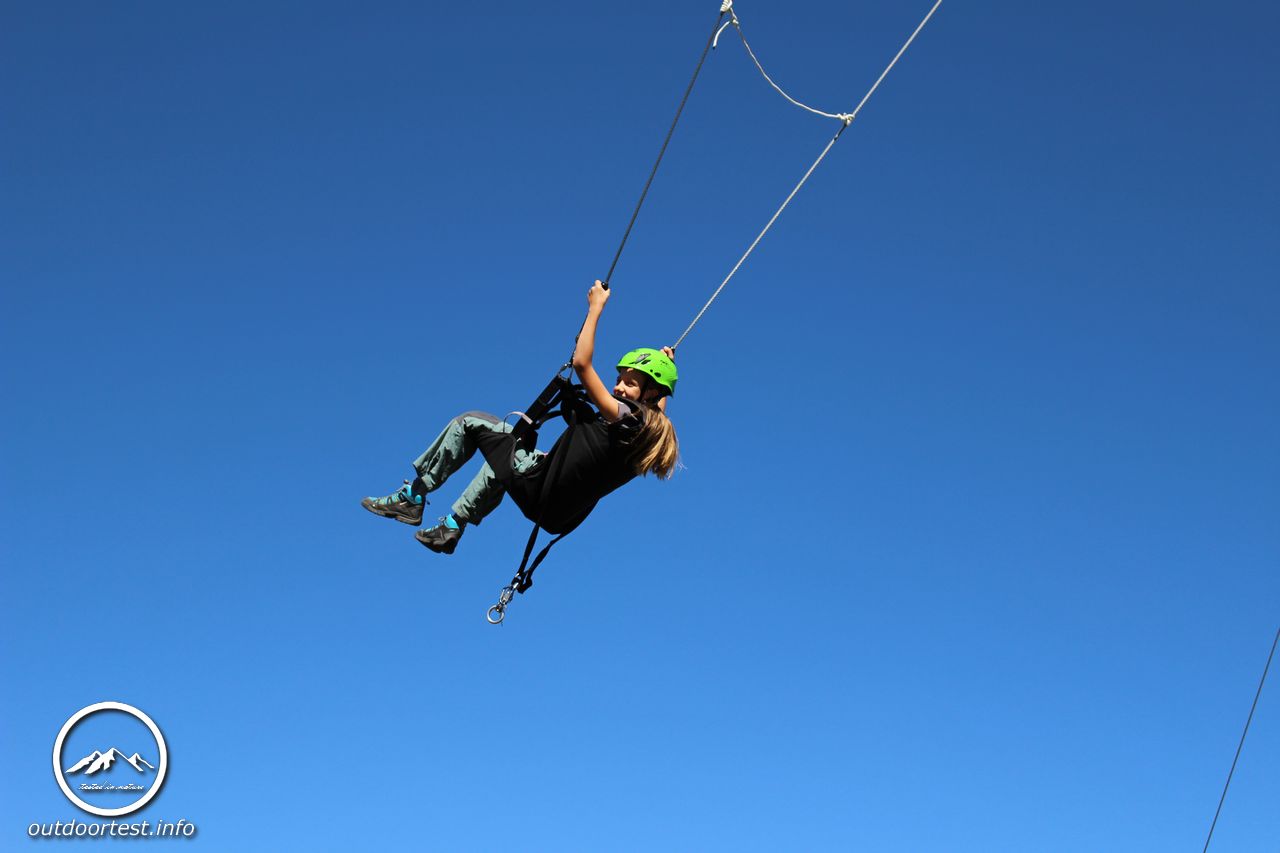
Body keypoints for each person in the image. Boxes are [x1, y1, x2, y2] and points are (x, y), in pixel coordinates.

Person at [361, 280, 679, 554]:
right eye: (620, 378)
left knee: (470, 421)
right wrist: (666, 367)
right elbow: (658, 408)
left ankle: (414, 495)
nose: (619, 387)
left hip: (541, 490)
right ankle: (451, 525)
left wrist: (595, 307)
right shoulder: (651, 432)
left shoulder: (624, 415)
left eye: (630, 382)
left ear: (648, 393)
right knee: (508, 451)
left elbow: (582, 364)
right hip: (556, 513)